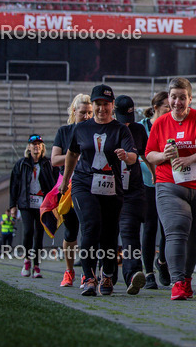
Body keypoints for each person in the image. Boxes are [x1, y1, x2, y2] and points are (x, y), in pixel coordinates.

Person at [145, 77, 196, 301]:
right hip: (169, 185)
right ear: (168, 98)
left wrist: (190, 159)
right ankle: (177, 281)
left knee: (195, 238)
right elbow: (149, 153)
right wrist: (164, 156)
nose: (177, 102)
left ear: (190, 99)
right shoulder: (160, 123)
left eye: (182, 97)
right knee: (177, 229)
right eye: (174, 97)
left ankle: (187, 278)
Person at [59, 84, 138, 296]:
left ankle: (108, 274)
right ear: (92, 105)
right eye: (98, 104)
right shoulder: (81, 128)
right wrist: (65, 180)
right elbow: (72, 155)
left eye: (106, 104)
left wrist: (125, 156)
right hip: (84, 183)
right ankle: (89, 276)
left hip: (112, 186)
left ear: (112, 106)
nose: (101, 108)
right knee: (91, 225)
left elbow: (133, 156)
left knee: (110, 233)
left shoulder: (121, 129)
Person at [50, 93, 93, 287]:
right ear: (74, 112)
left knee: (90, 231)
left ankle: (88, 272)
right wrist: (73, 155)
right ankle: (69, 271)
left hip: (91, 184)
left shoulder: (96, 130)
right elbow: (54, 159)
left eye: (89, 112)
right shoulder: (65, 131)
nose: (86, 116)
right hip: (67, 186)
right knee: (71, 232)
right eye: (83, 112)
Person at [10, 134, 56, 277]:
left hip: (42, 203)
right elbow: (14, 186)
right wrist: (12, 205)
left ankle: (36, 265)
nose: (36, 146)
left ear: (42, 147)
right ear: (28, 147)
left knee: (39, 234)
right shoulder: (21, 164)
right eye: (33, 144)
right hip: (26, 203)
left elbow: (53, 183)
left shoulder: (47, 164)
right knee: (28, 231)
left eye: (39, 144)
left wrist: (54, 203)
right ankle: (26, 260)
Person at [116, 94, 149, 295]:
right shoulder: (109, 130)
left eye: (129, 119)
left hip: (133, 189)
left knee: (130, 232)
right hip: (109, 189)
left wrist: (154, 176)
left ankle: (133, 273)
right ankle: (105, 273)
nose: (126, 124)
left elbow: (146, 154)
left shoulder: (138, 130)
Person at [139, 91, 170, 288]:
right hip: (146, 181)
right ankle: (148, 271)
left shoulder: (171, 125)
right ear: (156, 107)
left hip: (167, 180)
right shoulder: (141, 127)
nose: (171, 109)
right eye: (167, 105)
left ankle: (163, 262)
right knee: (150, 226)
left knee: (167, 226)